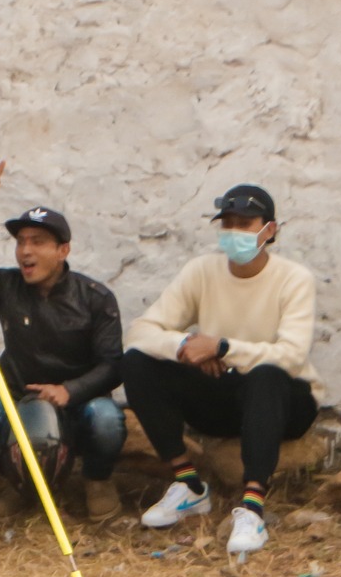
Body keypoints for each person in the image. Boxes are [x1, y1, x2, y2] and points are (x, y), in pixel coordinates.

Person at [120, 184, 319, 556]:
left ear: (269, 230)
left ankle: (252, 508)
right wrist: (187, 346)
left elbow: (291, 356)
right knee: (136, 362)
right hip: (223, 394)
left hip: (285, 401)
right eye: (227, 224)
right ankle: (189, 486)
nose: (234, 232)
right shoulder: (202, 271)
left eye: (245, 224)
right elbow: (141, 331)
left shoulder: (294, 278)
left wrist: (223, 347)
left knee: (267, 374)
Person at [0, 162, 126, 522]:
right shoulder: (6, 286)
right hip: (22, 405)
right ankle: (19, 483)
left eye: (38, 242)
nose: (25, 251)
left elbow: (112, 367)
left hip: (80, 405)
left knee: (108, 419)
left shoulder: (96, 298)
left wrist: (68, 391)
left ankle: (97, 480)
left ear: (63, 250)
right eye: (21, 242)